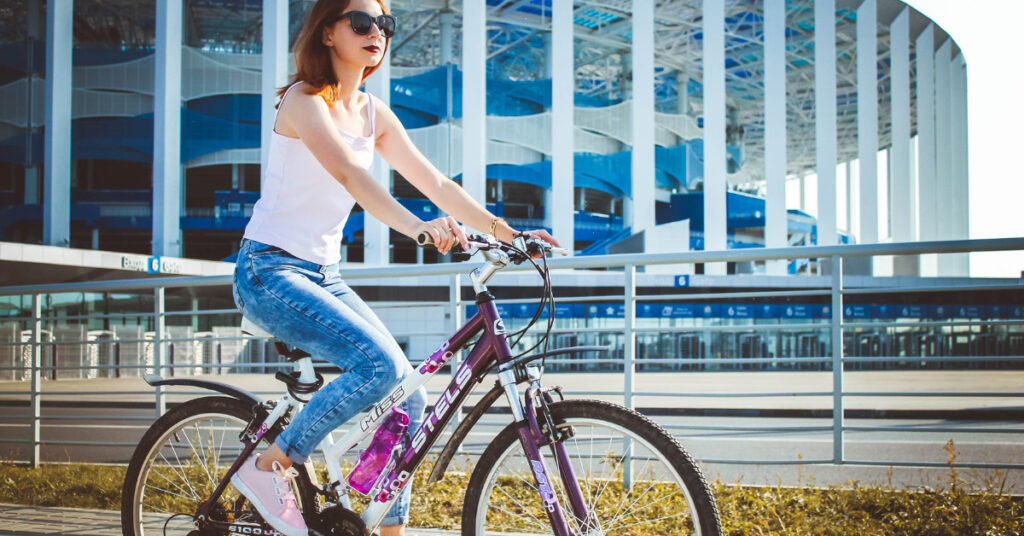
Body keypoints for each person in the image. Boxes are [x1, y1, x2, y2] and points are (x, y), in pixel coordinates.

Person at [230, 1, 562, 535]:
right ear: (328, 33)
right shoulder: (303, 100)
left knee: (407, 394)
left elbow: (440, 186)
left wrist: (510, 234)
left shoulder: (373, 113)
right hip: (268, 271)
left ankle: (384, 527)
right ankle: (271, 465)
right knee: (379, 366)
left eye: (384, 25)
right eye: (361, 22)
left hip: (322, 275)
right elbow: (350, 177)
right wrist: (420, 229)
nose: (376, 33)